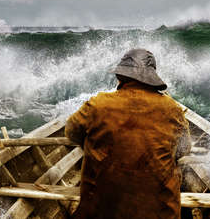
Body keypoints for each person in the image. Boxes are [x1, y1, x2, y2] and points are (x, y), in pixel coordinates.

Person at [65, 49, 191, 219]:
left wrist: (97, 145)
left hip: (101, 211)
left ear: (121, 77)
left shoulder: (98, 104)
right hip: (160, 212)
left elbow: (71, 133)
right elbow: (184, 149)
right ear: (151, 79)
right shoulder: (172, 109)